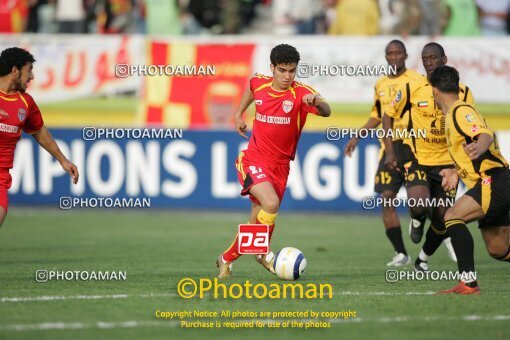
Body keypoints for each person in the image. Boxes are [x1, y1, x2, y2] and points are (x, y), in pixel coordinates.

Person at [217, 44, 331, 278]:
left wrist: (317, 100)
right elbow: (251, 88)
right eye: (282, 70)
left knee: (255, 224)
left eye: (292, 71)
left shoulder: (301, 94)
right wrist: (239, 114)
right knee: (270, 204)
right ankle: (263, 253)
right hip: (253, 159)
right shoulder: (260, 83)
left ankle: (226, 258)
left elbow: (327, 111)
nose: (287, 76)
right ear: (272, 68)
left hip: (280, 167)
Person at [382, 43, 473, 271]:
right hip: (417, 158)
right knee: (420, 204)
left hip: (448, 163)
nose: (429, 62)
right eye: (425, 59)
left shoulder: (463, 91)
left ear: (444, 59)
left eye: (433, 58)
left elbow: (470, 125)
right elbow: (388, 115)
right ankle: (417, 218)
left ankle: (422, 258)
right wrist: (391, 150)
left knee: (443, 217)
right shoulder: (412, 87)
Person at [429, 65, 510, 294]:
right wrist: (455, 171)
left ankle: (469, 283)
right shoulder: (452, 115)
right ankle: (469, 282)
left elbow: (485, 134)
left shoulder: (460, 110)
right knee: (498, 249)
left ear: (435, 91)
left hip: (493, 181)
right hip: (492, 183)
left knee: (452, 216)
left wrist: (479, 146)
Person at [344, 40, 422, 267]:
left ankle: (435, 232)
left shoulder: (417, 81)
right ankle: (401, 253)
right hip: (388, 149)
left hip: (413, 148)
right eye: (390, 53)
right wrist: (357, 136)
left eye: (398, 53)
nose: (394, 57)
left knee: (422, 202)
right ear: (386, 57)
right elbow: (377, 115)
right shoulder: (380, 84)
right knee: (386, 200)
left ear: (405, 55)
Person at [0, 47, 79, 227]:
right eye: (29, 70)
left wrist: (63, 160)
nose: (32, 77)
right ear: (14, 71)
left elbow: (39, 131)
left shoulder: (26, 103)